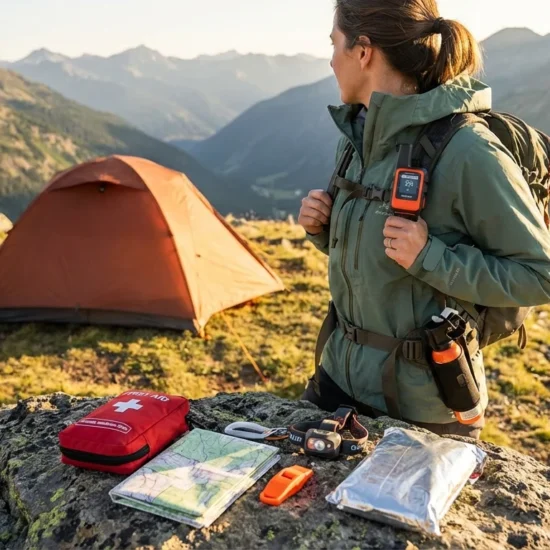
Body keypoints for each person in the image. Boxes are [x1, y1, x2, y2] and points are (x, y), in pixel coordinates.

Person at [298, 0, 550, 439]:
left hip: (423, 405)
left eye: (334, 43)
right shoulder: (359, 137)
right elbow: (381, 253)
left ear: (363, 51)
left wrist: (430, 256)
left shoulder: (468, 150)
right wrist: (325, 229)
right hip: (336, 381)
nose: (330, 58)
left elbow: (539, 274)